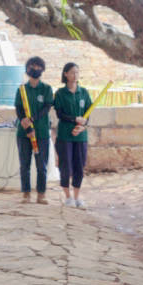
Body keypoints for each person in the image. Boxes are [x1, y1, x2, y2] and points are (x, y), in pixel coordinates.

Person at [52, 62, 93, 209]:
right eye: (72, 72)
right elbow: (60, 114)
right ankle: (67, 196)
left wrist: (83, 125)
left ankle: (76, 197)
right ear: (65, 74)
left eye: (77, 72)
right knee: (66, 166)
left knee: (79, 166)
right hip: (65, 135)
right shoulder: (60, 93)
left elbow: (89, 112)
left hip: (80, 136)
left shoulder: (84, 92)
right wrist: (75, 120)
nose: (75, 75)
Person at [14, 56, 54, 204]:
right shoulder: (22, 89)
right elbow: (18, 107)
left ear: (42, 69)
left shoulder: (47, 89)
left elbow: (47, 108)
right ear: (27, 69)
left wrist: (31, 120)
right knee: (24, 165)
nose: (35, 69)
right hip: (23, 133)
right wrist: (24, 122)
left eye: (38, 67)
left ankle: (41, 194)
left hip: (41, 132)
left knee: (41, 165)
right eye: (32, 66)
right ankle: (26, 193)